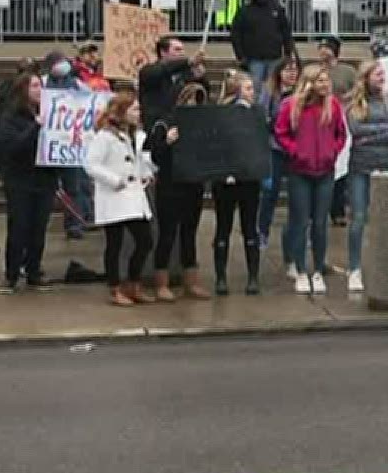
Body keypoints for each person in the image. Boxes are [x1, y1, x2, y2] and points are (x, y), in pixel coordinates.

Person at [275, 63, 348, 293]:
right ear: (309, 83)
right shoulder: (291, 106)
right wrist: (296, 152)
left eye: (327, 80)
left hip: (325, 170)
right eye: (320, 81)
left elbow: (341, 134)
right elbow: (281, 132)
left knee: (320, 223)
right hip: (299, 171)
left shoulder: (333, 106)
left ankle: (318, 270)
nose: (325, 85)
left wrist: (332, 152)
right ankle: (300, 270)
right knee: (300, 221)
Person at [85, 93, 157, 306]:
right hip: (113, 196)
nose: (138, 113)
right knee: (114, 244)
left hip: (134, 195)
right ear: (122, 112)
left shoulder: (138, 135)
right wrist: (114, 180)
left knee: (145, 240)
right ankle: (114, 288)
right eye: (134, 109)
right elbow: (91, 164)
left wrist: (147, 172)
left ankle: (134, 283)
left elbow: (142, 160)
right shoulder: (104, 137)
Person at [0, 74, 56, 293]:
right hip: (20, 179)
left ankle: (34, 270)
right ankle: (11, 274)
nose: (40, 90)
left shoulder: (50, 112)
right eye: (35, 86)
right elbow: (12, 146)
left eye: (42, 85)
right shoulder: (11, 116)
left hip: (45, 178)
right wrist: (35, 128)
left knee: (39, 228)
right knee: (19, 226)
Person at [343, 60, 388, 295]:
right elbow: (356, 130)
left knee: (386, 218)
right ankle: (354, 267)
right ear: (366, 77)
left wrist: (371, 135)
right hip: (361, 167)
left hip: (387, 165)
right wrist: (382, 130)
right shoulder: (355, 104)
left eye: (382, 73)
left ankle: (385, 264)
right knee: (358, 217)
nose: (382, 77)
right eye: (377, 74)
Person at [211, 71, 269, 296]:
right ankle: (221, 277)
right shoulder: (223, 115)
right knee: (223, 227)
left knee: (249, 227)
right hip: (225, 178)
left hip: (249, 177)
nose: (252, 93)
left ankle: (253, 277)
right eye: (248, 89)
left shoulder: (256, 114)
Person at [153, 83, 213, 300]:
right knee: (167, 234)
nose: (193, 105)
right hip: (170, 185)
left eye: (197, 101)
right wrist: (167, 142)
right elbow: (155, 156)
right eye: (189, 99)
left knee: (190, 233)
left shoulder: (202, 125)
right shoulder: (165, 123)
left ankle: (191, 280)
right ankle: (162, 282)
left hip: (193, 184)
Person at [41, 51, 93, 239]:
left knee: (74, 186)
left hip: (70, 145)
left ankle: (75, 223)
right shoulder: (42, 82)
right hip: (49, 145)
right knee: (46, 187)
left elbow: (90, 103)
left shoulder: (77, 84)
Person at [260, 57, 301, 278]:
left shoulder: (302, 94)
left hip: (296, 149)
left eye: (295, 70)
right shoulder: (271, 94)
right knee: (270, 190)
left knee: (297, 198)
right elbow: (264, 118)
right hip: (275, 147)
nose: (292, 74)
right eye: (288, 69)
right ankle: (262, 229)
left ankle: (293, 250)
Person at [317, 38, 357, 227]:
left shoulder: (347, 71)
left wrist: (345, 99)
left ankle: (338, 210)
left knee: (340, 168)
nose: (323, 51)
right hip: (320, 122)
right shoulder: (315, 71)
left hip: (342, 120)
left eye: (326, 48)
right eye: (321, 48)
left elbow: (358, 90)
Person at [231, 0, 294, 92]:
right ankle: (257, 108)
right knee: (255, 88)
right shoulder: (245, 11)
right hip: (254, 58)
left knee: (274, 89)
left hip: (274, 57)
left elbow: (286, 31)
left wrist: (288, 52)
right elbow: (236, 34)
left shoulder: (277, 9)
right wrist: (240, 56)